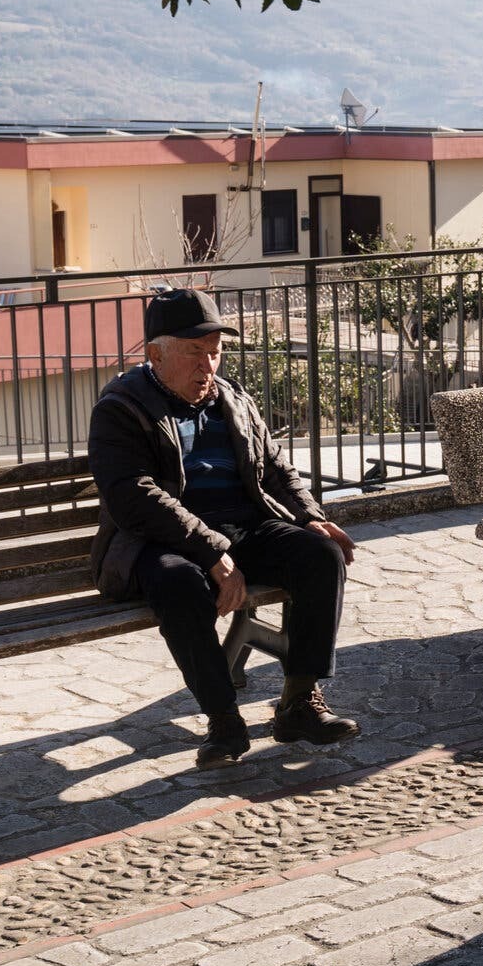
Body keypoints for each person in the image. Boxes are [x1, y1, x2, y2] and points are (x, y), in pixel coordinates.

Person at [89, 288, 360, 766]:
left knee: (320, 555)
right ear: (156, 354)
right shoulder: (122, 407)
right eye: (195, 352)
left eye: (214, 352)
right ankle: (224, 721)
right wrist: (212, 552)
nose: (208, 365)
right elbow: (134, 496)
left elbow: (275, 468)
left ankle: (298, 702)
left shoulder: (233, 399)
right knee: (178, 582)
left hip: (242, 529)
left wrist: (312, 517)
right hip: (159, 541)